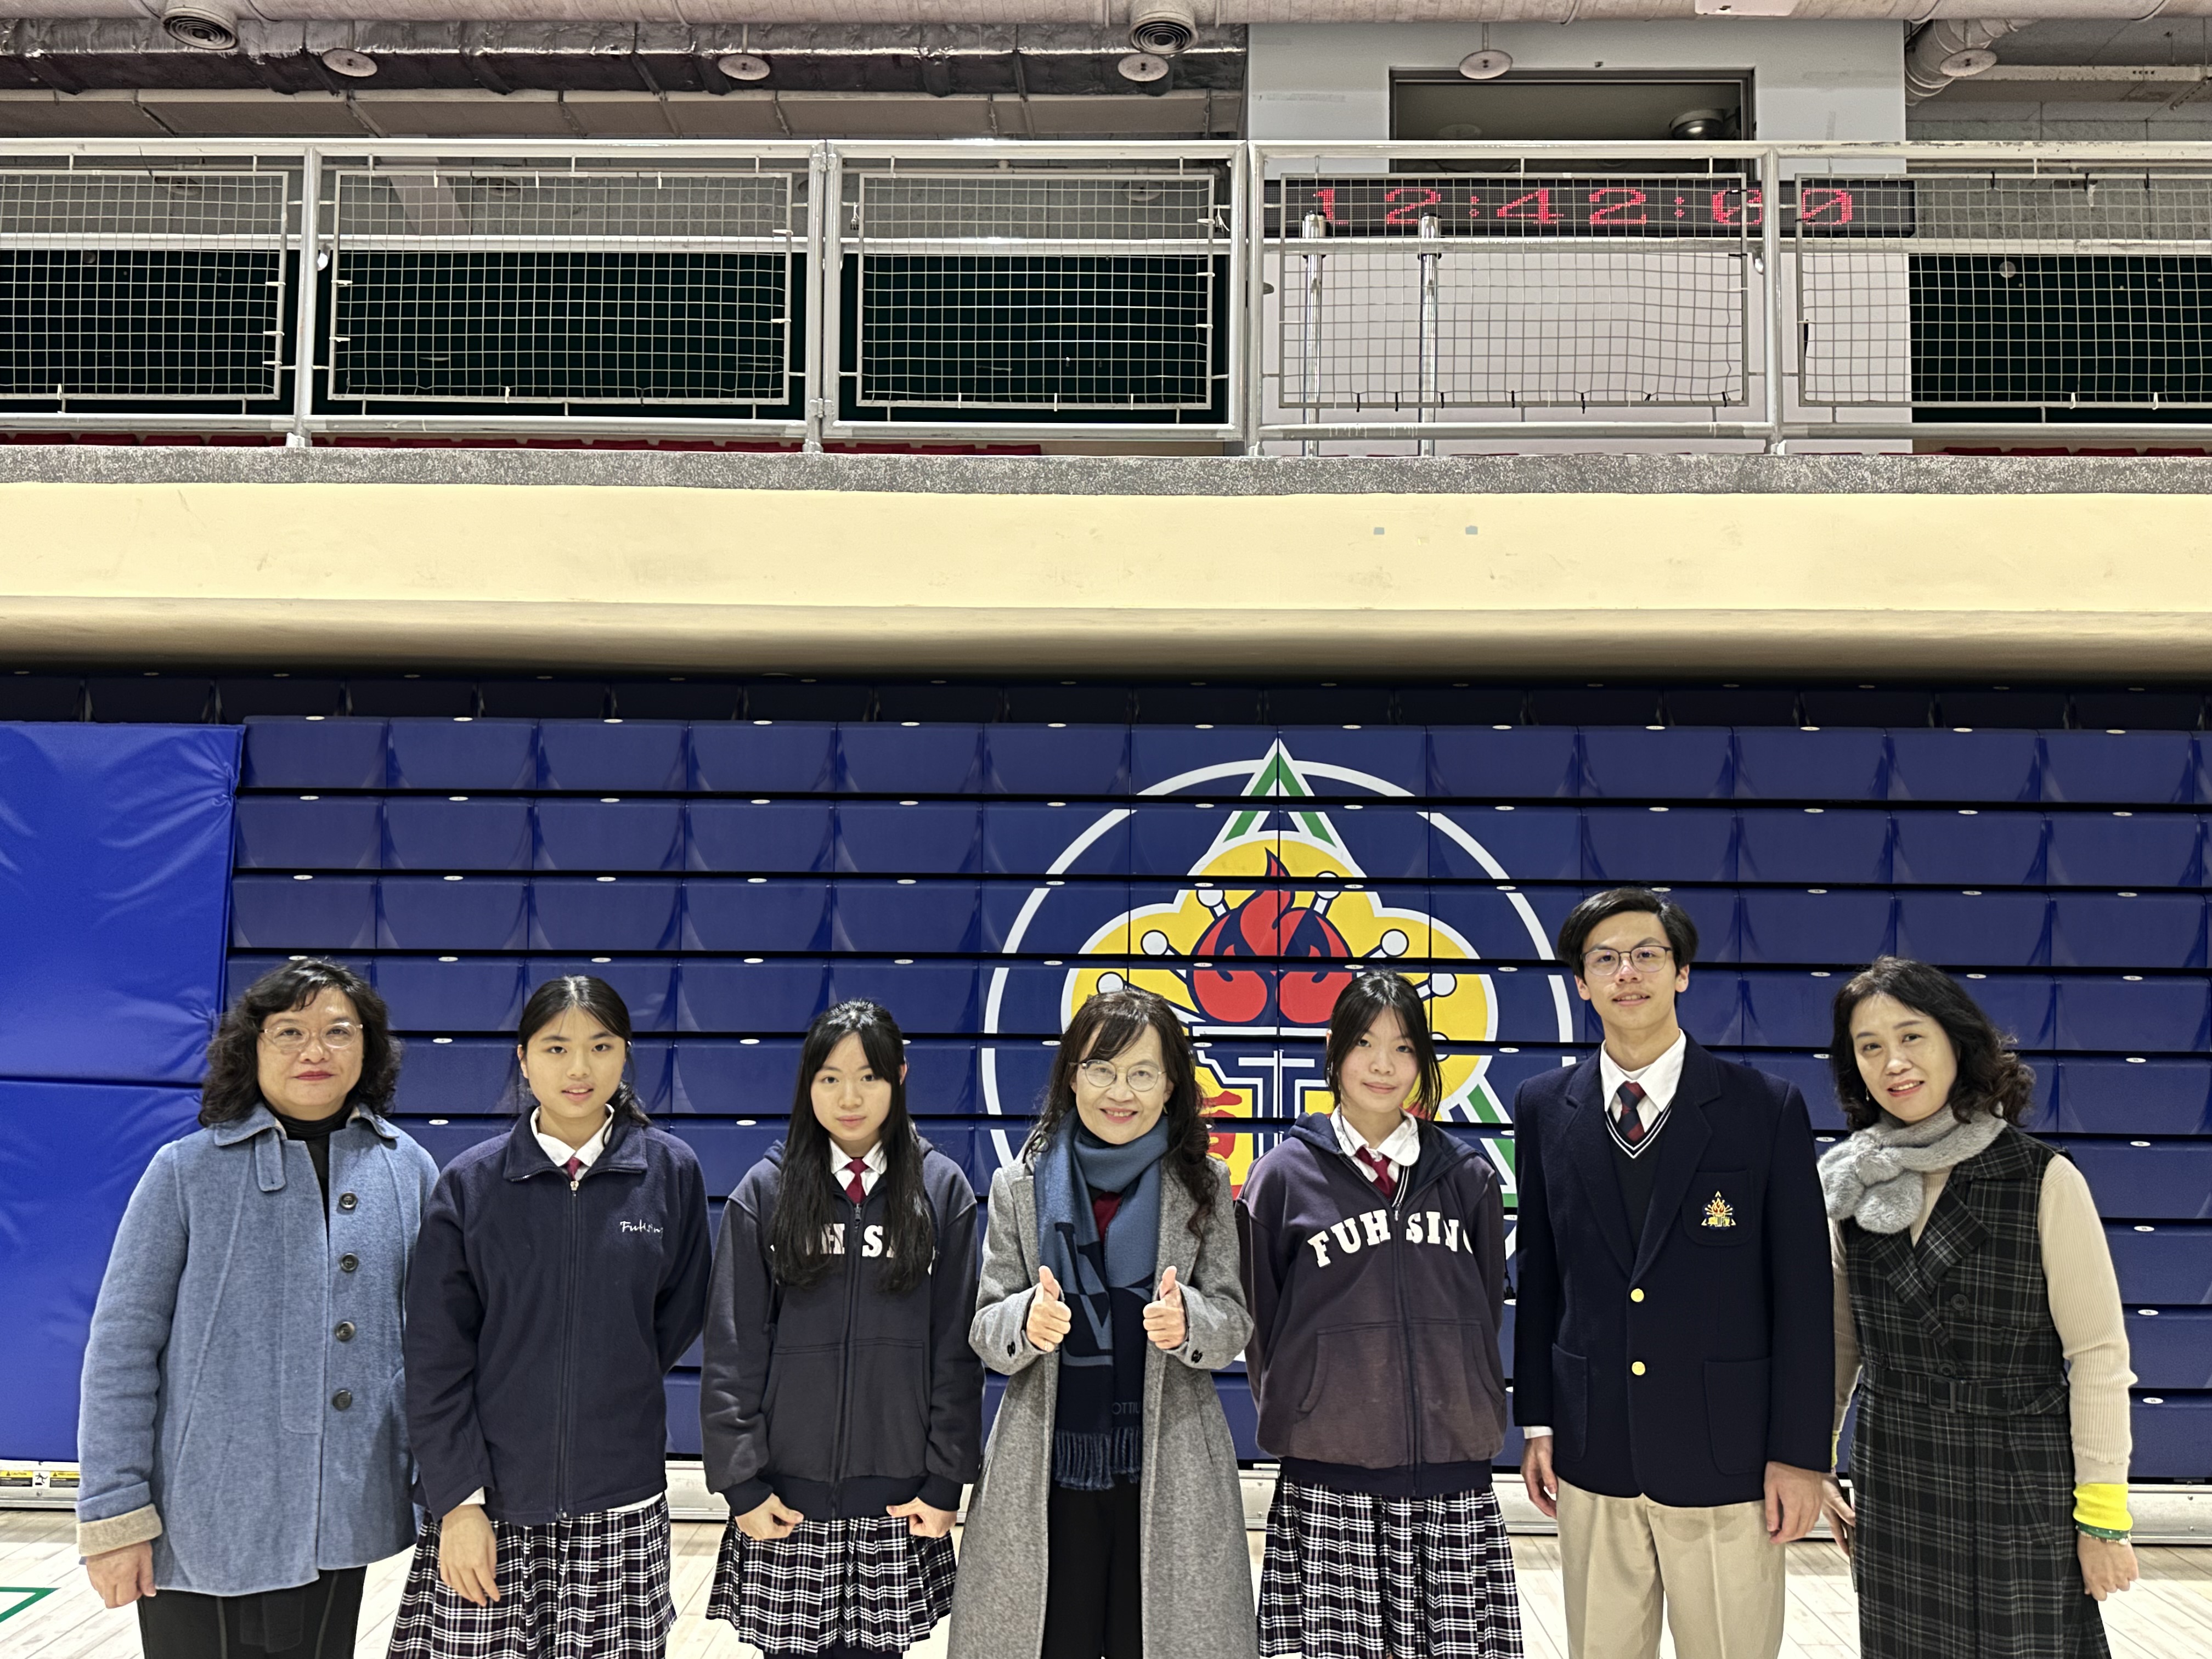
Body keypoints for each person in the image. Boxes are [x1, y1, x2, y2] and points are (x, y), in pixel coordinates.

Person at [75, 958, 438, 1659]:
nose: (314, 1050)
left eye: (338, 1031)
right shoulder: (185, 1171)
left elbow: (432, 1345)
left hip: (341, 1517)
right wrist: (114, 1514)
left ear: (367, 1047)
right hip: (202, 1518)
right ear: (253, 1046)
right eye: (290, 1031)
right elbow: (122, 1348)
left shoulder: (408, 1169)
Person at [1511, 887, 1832, 1659]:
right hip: (1594, 1446)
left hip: (1728, 1457)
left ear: (1682, 972)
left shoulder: (1764, 1108)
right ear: (1581, 983)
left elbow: (1804, 1296)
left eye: (1647, 954)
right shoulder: (1543, 1107)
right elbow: (1543, 1276)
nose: (1628, 973)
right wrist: (1540, 1421)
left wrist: (1800, 1454)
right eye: (1605, 959)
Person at [1817, 956, 2137, 1658]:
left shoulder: (2043, 1178)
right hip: (1897, 1476)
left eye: (1912, 1037)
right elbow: (1839, 1344)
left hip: (2021, 1483)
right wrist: (1816, 1460)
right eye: (1869, 1047)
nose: (1893, 1063)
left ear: (1958, 1043)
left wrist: (2103, 1519)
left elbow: (2099, 1358)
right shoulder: (1849, 1186)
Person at [387, 974, 712, 1659]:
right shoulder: (470, 1185)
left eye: (601, 1046)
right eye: (556, 1048)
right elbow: (435, 1358)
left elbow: (674, 1316)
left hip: (620, 1501)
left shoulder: (671, 1173)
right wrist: (458, 1503)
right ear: (524, 1058)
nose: (579, 1068)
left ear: (625, 1054)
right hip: (490, 1505)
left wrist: (607, 1376)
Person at [947, 985, 1257, 1659]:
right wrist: (1027, 1320)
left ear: (1171, 1085)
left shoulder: (1204, 1182)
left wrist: (1191, 1322)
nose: (1121, 1092)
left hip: (1170, 1466)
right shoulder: (1021, 1185)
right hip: (1048, 1470)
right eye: (1102, 1069)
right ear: (1072, 1076)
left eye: (1143, 1073)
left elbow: (1233, 1319)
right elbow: (986, 1325)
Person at [1240, 970, 1523, 1659]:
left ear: (1422, 1062)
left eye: (1402, 1048)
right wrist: (1311, 1405)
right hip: (1329, 1472)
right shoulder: (1282, 1177)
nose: (1382, 1065)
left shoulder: (1468, 1177)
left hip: (1453, 1471)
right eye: (1364, 1043)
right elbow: (1260, 1321)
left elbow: (1484, 1308)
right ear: (1334, 1052)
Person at [700, 1000, 983, 1659]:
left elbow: (956, 1353)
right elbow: (732, 1348)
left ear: (900, 1078)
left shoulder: (942, 1191)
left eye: (869, 1077)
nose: (849, 1097)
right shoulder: (765, 1192)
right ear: (808, 1083)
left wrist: (946, 1480)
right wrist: (742, 1484)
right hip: (784, 1499)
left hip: (899, 1502)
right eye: (830, 1078)